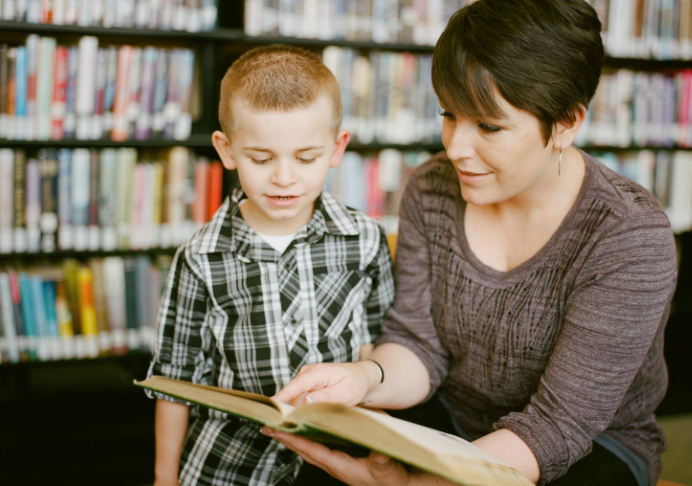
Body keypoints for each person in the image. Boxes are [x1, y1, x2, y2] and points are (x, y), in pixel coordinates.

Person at [268, 1, 678, 486]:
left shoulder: (628, 235)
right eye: (449, 114)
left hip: (591, 446)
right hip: (451, 418)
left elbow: (557, 426)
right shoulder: (431, 187)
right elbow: (419, 345)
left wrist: (415, 484)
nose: (456, 146)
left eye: (488, 126)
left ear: (566, 123)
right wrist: (364, 380)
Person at [146, 45, 395, 486]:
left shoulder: (365, 239)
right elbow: (172, 381)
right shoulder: (201, 257)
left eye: (305, 157)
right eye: (261, 159)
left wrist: (380, 453)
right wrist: (165, 480)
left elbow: (376, 349)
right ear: (227, 150)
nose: (284, 177)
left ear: (337, 148)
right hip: (229, 465)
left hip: (337, 460)